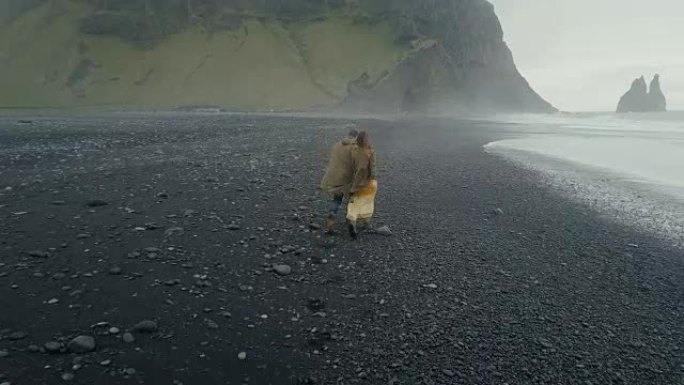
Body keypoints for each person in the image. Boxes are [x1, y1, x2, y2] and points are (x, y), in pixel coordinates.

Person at [320, 128, 358, 231]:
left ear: (348, 135)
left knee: (337, 199)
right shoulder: (355, 148)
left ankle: (332, 216)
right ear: (355, 137)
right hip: (347, 178)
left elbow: (333, 160)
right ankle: (350, 220)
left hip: (335, 176)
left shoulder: (337, 145)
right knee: (351, 200)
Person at [346, 131, 377, 239]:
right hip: (367, 182)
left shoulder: (353, 151)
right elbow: (372, 168)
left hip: (355, 182)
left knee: (354, 203)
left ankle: (352, 222)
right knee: (367, 202)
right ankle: (366, 223)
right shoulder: (370, 151)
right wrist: (373, 178)